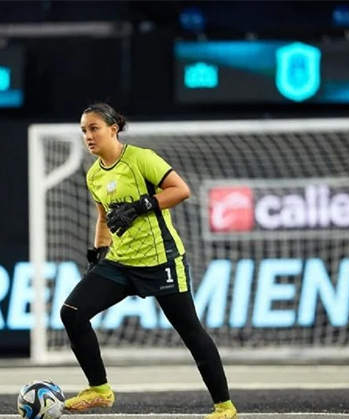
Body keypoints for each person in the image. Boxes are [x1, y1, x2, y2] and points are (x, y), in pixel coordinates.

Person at [60, 103, 238, 419]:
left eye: (94, 128)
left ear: (113, 129)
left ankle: (224, 406)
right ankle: (99, 389)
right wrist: (98, 254)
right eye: (84, 130)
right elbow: (103, 217)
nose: (88, 136)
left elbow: (180, 190)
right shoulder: (94, 175)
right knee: (72, 313)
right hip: (120, 263)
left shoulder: (141, 159)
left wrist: (141, 205)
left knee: (190, 331)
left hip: (161, 261)